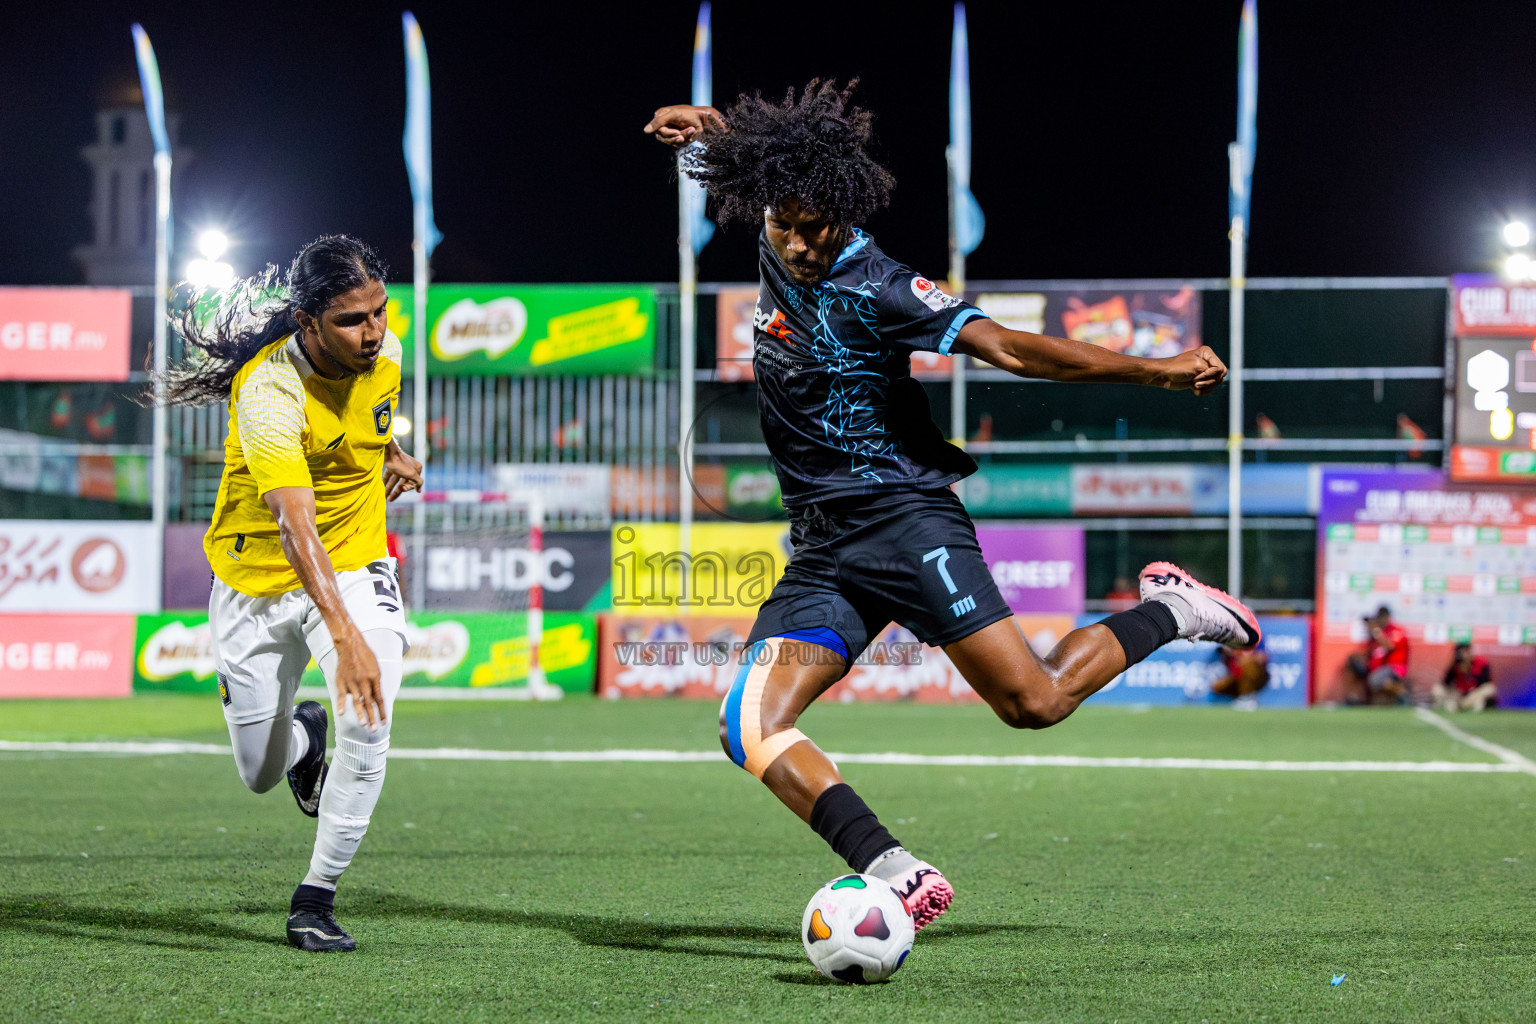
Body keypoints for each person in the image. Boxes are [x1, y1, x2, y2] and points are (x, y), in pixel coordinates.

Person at [644, 81, 1260, 930]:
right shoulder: (779, 226)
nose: (794, 241)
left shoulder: (882, 284)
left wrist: (1151, 369)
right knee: (746, 723)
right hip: (824, 548)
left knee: (1033, 704)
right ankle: (892, 869)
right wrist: (709, 129)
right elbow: (760, 160)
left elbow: (1008, 348)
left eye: (810, 225)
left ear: (843, 211)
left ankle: (1174, 611)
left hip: (903, 520)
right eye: (779, 222)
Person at [148, 235, 422, 951]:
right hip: (257, 584)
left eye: (381, 312)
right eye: (352, 320)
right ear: (306, 322)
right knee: (259, 775)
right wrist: (344, 634)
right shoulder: (269, 390)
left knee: (371, 718)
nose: (374, 332)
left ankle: (315, 899)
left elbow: (367, 414)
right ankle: (304, 741)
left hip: (358, 561)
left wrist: (392, 452)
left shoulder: (385, 353)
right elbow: (294, 522)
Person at [1345, 605, 1408, 705]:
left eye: (1381, 618)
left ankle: (1402, 692)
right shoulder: (1379, 633)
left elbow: (1389, 646)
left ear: (1387, 617)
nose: (1380, 621)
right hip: (1377, 668)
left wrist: (1375, 630)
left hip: (1395, 667)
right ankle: (1352, 698)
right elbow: (1371, 652)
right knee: (1352, 665)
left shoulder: (1396, 630)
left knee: (1374, 680)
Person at [1434, 644, 1496, 712]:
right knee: (1438, 689)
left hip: (1474, 694)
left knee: (1489, 688)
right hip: (1459, 695)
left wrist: (1468, 671)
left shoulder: (1480, 662)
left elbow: (1485, 682)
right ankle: (1454, 705)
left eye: (1464, 652)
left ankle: (1466, 705)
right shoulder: (1455, 665)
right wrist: (1453, 666)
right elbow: (1445, 683)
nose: (1462, 656)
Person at [1211, 644, 1270, 709]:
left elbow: (1263, 656)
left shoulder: (1255, 637)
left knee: (1246, 666)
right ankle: (1240, 698)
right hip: (1234, 677)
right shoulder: (1228, 654)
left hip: (1257, 676)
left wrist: (1244, 660)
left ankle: (1247, 698)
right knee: (1217, 686)